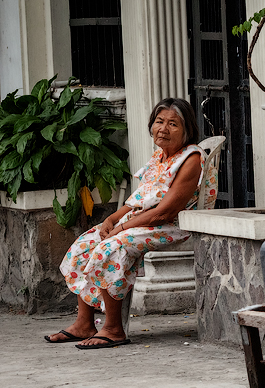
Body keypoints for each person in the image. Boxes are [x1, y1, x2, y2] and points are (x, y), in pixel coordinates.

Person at [45, 98, 212, 349]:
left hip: (173, 226)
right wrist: (111, 219)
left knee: (110, 248)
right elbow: (139, 200)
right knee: (86, 243)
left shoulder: (191, 158)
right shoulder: (160, 156)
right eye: (159, 122)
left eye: (173, 124)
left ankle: (113, 328)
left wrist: (122, 228)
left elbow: (164, 213)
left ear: (187, 129)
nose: (163, 129)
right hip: (142, 222)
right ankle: (84, 323)